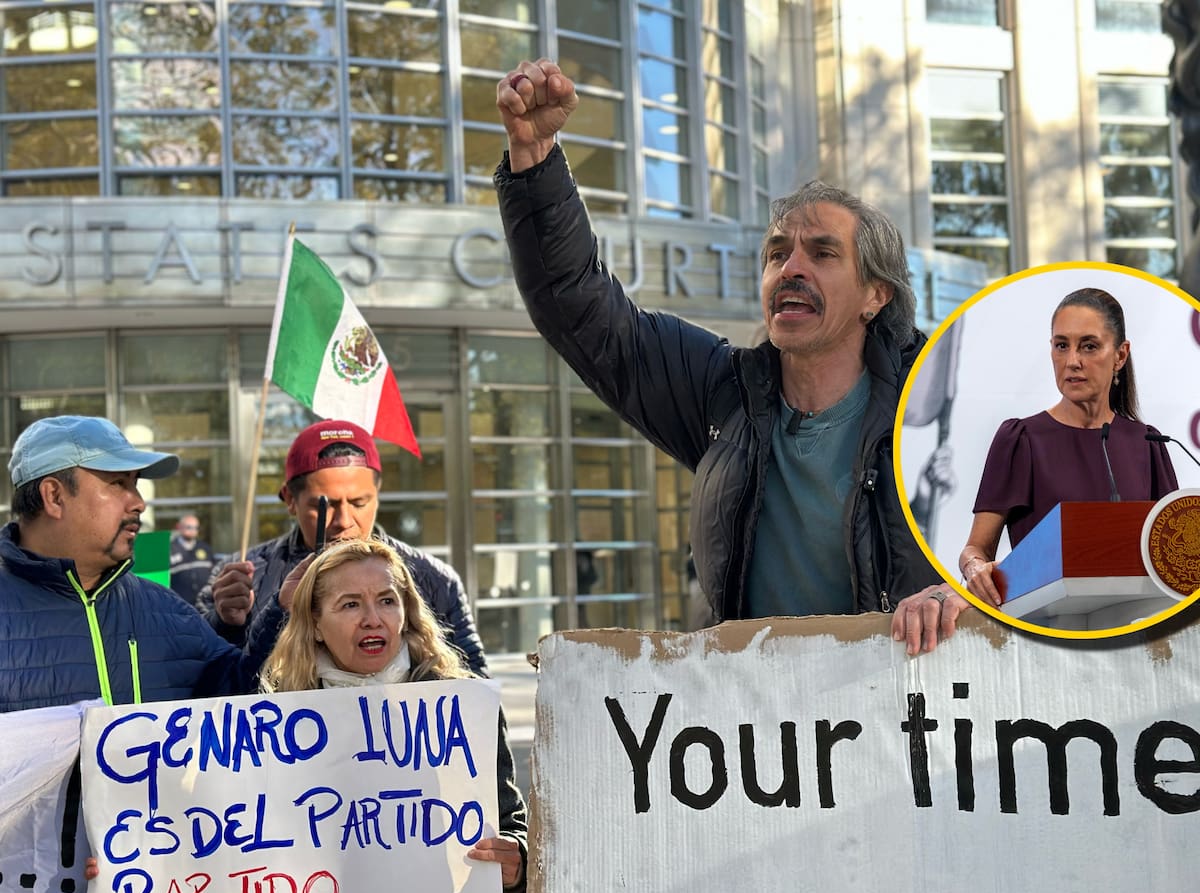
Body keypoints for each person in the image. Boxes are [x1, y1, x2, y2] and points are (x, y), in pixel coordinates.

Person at [493, 58, 966, 654]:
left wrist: (953, 594)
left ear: (876, 295)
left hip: (905, 723)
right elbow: (581, 312)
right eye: (777, 254)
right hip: (758, 732)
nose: (790, 269)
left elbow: (1014, 556)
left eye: (822, 254)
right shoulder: (722, 393)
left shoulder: (935, 410)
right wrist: (534, 159)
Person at [259, 538, 527, 893]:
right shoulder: (279, 722)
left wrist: (516, 864)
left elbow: (510, 823)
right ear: (316, 624)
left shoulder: (463, 707)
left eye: (387, 600)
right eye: (350, 604)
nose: (373, 619)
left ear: (406, 612)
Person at [0, 415, 266, 713]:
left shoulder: (165, 608)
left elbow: (242, 696)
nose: (138, 502)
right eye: (117, 483)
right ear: (54, 496)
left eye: (135, 483)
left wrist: (281, 611)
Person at [196, 420, 489, 675]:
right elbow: (205, 681)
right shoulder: (242, 577)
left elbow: (476, 689)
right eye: (325, 506)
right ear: (289, 499)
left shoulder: (432, 578)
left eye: (360, 503)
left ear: (378, 494)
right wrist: (223, 624)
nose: (344, 521)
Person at [960, 287, 1179, 606]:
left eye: (1089, 346)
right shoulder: (1021, 439)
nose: (1072, 361)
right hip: (1044, 627)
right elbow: (976, 549)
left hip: (1137, 629)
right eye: (1062, 346)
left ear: (1120, 355)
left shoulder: (1148, 444)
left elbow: (1174, 554)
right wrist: (974, 568)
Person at [168, 512, 215, 606]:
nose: (193, 530)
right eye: (189, 527)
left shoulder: (205, 547)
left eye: (196, 528)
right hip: (180, 603)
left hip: (205, 603)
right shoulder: (169, 549)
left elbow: (214, 572)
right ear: (179, 527)